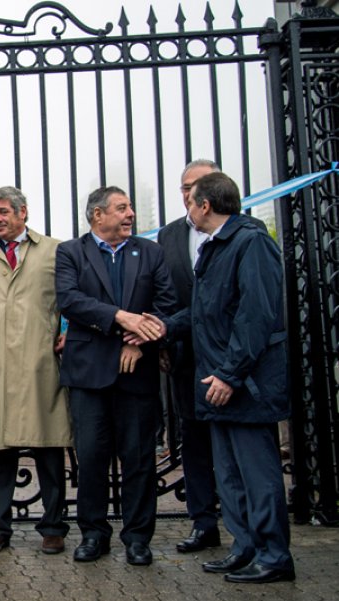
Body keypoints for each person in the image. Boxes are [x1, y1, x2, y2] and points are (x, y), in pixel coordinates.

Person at [164, 172, 294, 583]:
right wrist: (162, 326)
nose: (187, 206)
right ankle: (245, 548)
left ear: (205, 205)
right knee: (232, 475)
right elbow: (205, 313)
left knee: (258, 475)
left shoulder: (250, 242)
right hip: (216, 384)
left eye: (191, 200)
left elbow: (256, 317)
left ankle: (274, 555)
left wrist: (229, 374)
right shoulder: (216, 247)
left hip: (243, 386)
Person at [55, 185, 176, 566]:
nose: (130, 215)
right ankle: (93, 534)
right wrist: (120, 318)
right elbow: (70, 300)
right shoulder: (71, 252)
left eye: (130, 208)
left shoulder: (151, 252)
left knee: (139, 459)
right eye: (122, 208)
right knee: (90, 458)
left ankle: (138, 538)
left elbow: (166, 305)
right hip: (88, 374)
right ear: (97, 215)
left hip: (136, 372)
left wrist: (139, 341)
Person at [157, 159, 268, 554]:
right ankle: (208, 525)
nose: (190, 194)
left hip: (235, 365)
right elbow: (168, 297)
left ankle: (260, 543)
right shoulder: (169, 237)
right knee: (199, 445)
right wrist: (164, 340)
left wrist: (232, 368)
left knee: (246, 458)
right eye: (185, 186)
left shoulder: (248, 235)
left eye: (198, 186)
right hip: (189, 359)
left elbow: (255, 309)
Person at [0, 186, 72, 555]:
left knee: (49, 449)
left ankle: (53, 527)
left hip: (42, 364)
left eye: (4, 212)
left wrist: (68, 332)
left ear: (23, 212)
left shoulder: (54, 251)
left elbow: (73, 298)